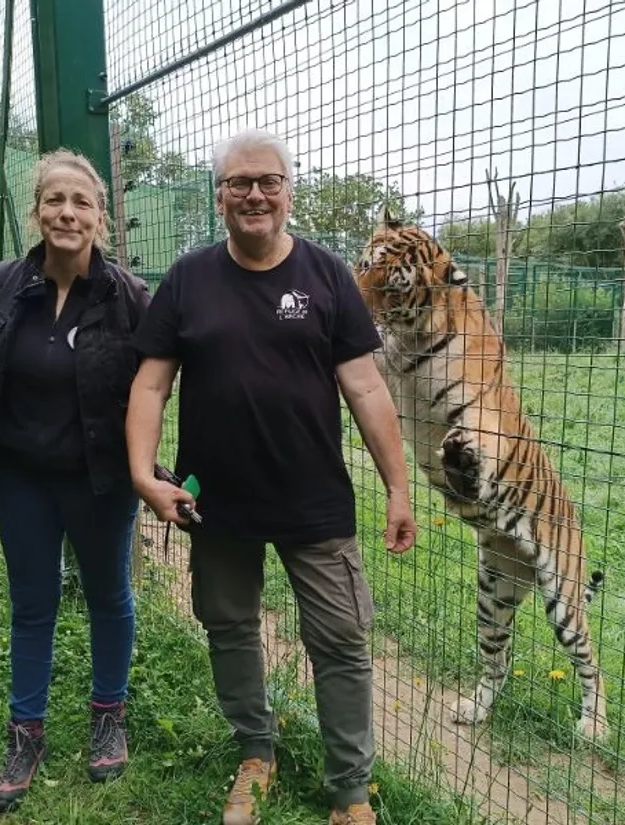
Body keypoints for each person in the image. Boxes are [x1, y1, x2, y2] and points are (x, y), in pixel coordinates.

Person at [126, 129, 417, 825]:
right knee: (229, 627)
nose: (253, 194)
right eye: (238, 182)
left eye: (268, 181)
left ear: (289, 192)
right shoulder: (187, 280)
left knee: (341, 641)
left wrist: (399, 487)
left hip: (314, 501)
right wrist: (143, 475)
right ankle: (255, 754)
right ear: (219, 195)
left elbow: (366, 387)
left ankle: (350, 792)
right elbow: (150, 385)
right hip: (217, 502)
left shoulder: (326, 276)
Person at [0, 148, 152, 814]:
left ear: (100, 216)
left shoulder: (129, 297)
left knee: (109, 595)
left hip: (99, 479)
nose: (67, 213)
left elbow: (151, 391)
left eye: (81, 202)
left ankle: (108, 717)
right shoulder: (1, 282)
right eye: (55, 200)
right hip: (19, 475)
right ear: (37, 210)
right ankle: (26, 734)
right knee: (32, 602)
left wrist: (148, 468)